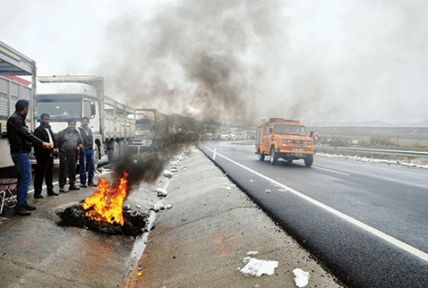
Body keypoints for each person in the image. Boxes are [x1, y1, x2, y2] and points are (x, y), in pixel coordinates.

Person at [7, 100, 53, 215]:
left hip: (22, 152)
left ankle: (23, 203)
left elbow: (26, 134)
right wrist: (42, 143)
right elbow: (26, 134)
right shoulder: (15, 119)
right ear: (24, 108)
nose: (29, 110)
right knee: (26, 177)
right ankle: (20, 206)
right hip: (19, 152)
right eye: (28, 108)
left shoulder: (18, 119)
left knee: (23, 177)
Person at [33, 113, 59, 198]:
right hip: (42, 156)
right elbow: (39, 144)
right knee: (40, 174)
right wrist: (52, 149)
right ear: (41, 120)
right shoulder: (38, 130)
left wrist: (56, 148)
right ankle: (37, 193)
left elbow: (53, 140)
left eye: (48, 119)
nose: (47, 121)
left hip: (50, 155)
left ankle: (50, 190)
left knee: (49, 174)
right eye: (45, 119)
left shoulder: (49, 129)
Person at [57, 120, 83, 192]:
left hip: (73, 153)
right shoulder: (62, 133)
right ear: (68, 124)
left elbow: (81, 142)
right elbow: (57, 142)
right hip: (64, 154)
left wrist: (79, 146)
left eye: (74, 125)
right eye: (71, 124)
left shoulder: (77, 133)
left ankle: (72, 184)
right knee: (63, 170)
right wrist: (59, 151)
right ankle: (62, 186)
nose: (72, 126)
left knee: (73, 170)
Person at [78, 117, 95, 188]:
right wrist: (79, 145)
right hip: (83, 150)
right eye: (84, 121)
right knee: (83, 167)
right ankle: (83, 182)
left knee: (92, 166)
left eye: (86, 121)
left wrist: (93, 148)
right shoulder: (78, 130)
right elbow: (77, 139)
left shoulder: (90, 129)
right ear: (81, 122)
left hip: (90, 150)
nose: (85, 123)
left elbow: (93, 138)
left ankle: (90, 181)